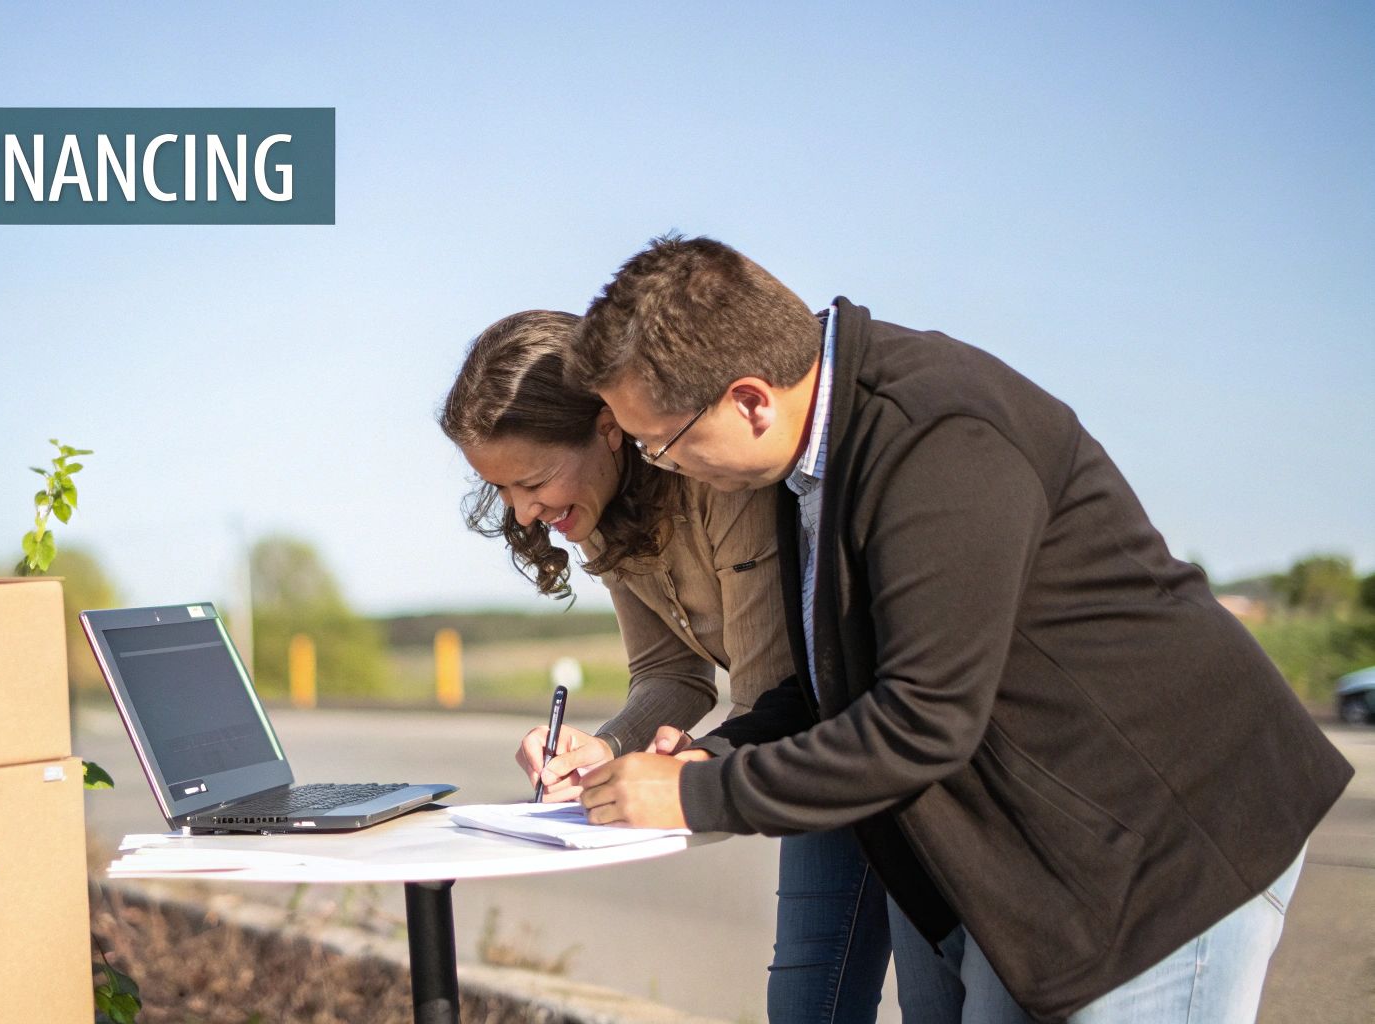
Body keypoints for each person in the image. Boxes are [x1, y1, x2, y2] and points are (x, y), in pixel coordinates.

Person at [563, 235, 1354, 1023]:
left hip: (1165, 848)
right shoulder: (812, 455)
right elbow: (840, 684)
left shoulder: (936, 435)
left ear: (749, 400)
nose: (659, 466)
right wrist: (715, 750)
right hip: (1037, 860)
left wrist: (699, 793)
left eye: (659, 444)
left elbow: (922, 721)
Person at [438, 309, 908, 1023]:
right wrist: (606, 748)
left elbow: (768, 694)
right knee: (808, 1005)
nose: (525, 515)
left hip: (855, 740)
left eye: (529, 481)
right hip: (814, 748)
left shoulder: (720, 482)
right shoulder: (594, 504)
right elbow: (670, 672)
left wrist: (682, 774)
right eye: (503, 492)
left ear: (606, 425)